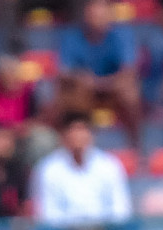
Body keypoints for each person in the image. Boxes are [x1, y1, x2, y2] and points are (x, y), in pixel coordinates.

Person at [57, 0, 144, 153]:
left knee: (130, 93)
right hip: (84, 91)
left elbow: (128, 71)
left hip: (113, 89)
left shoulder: (122, 35)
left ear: (109, 15)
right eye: (92, 13)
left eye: (101, 13)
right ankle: (74, 148)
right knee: (68, 95)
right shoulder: (72, 36)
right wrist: (84, 80)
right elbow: (65, 72)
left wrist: (99, 83)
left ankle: (136, 147)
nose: (96, 17)